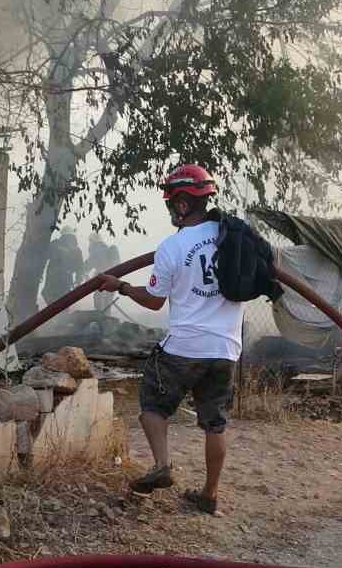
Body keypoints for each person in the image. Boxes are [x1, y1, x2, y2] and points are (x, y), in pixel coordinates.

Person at [96, 163, 240, 515]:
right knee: (214, 423)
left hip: (185, 346)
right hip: (226, 348)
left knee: (151, 403)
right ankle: (209, 495)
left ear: (181, 203)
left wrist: (123, 287)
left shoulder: (173, 247)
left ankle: (162, 466)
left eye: (170, 203)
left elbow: (154, 299)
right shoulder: (233, 239)